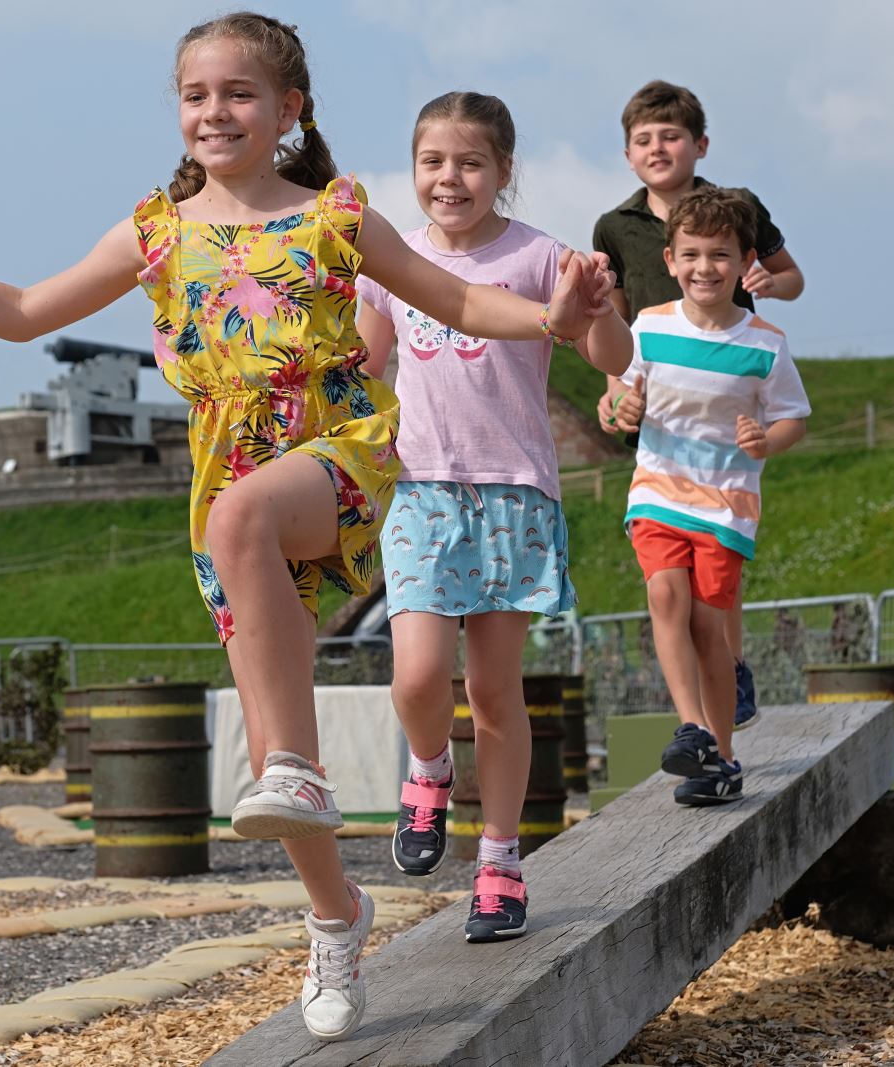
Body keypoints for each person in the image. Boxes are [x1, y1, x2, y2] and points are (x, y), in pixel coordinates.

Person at [0, 12, 613, 1041]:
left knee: (253, 527)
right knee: (270, 758)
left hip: (333, 453)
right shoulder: (156, 230)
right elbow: (28, 307)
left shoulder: (336, 219)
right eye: (196, 95)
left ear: (288, 110)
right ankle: (337, 916)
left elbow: (459, 302)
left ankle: (320, 778)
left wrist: (553, 320)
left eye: (239, 93)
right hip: (225, 493)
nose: (216, 111)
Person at [354, 92, 632, 943]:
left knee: (494, 690)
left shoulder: (542, 258)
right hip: (422, 490)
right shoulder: (390, 260)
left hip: (513, 491)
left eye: (470, 162)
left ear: (504, 172)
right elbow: (362, 359)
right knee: (415, 676)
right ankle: (430, 771)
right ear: (414, 171)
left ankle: (502, 864)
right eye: (433, 162)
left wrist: (600, 303)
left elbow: (612, 360)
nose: (451, 178)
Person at [593, 80, 806, 731]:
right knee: (668, 574)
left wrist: (772, 281)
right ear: (629, 153)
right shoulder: (615, 225)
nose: (659, 148)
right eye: (644, 139)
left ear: (699, 144)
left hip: (727, 394)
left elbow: (793, 278)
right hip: (660, 396)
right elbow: (614, 323)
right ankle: (696, 710)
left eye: (672, 136)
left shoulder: (738, 206)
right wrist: (613, 392)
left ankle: (731, 668)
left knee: (716, 567)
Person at [619, 187, 809, 806]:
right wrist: (620, 408)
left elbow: (793, 420)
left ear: (745, 260)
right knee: (665, 595)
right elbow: (619, 400)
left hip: (726, 504)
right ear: (671, 260)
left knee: (710, 630)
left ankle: (723, 758)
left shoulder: (765, 343)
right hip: (657, 492)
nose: (706, 268)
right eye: (692, 255)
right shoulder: (648, 328)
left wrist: (765, 442)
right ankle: (693, 728)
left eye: (720, 255)